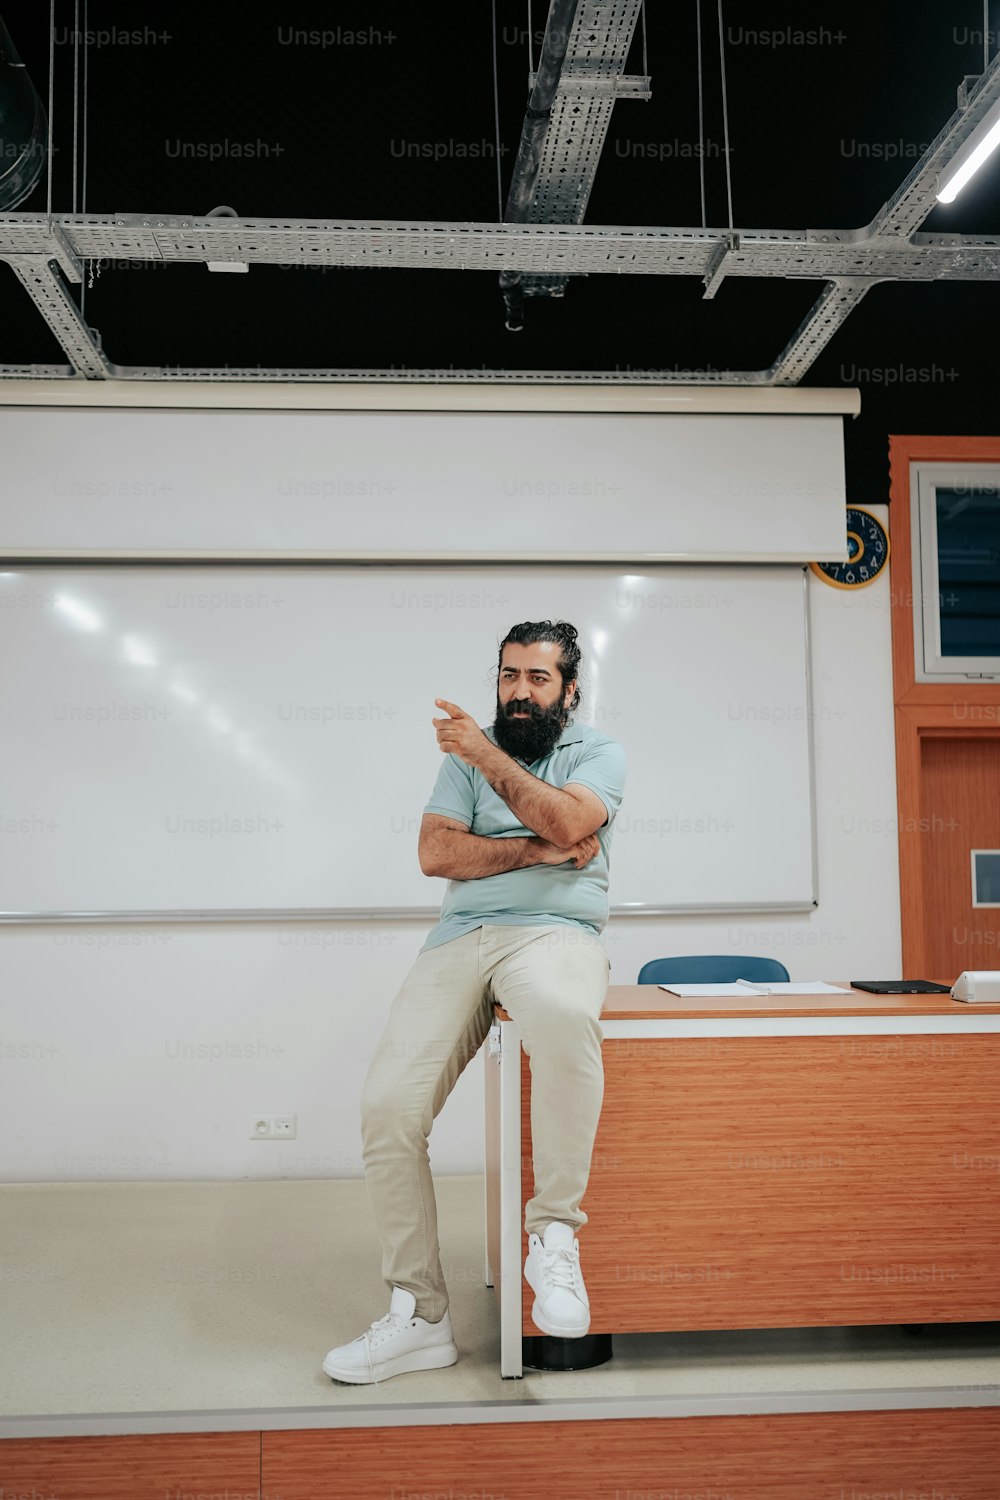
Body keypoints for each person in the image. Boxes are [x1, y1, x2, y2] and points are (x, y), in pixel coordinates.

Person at [322, 619, 627, 1383]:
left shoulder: (593, 752)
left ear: (569, 688)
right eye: (508, 676)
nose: (519, 691)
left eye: (537, 678)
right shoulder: (463, 760)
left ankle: (554, 1239)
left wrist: (488, 759)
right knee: (386, 1111)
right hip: (460, 938)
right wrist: (538, 851)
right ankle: (419, 1316)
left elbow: (570, 817)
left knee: (561, 1017)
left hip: (555, 933)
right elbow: (436, 853)